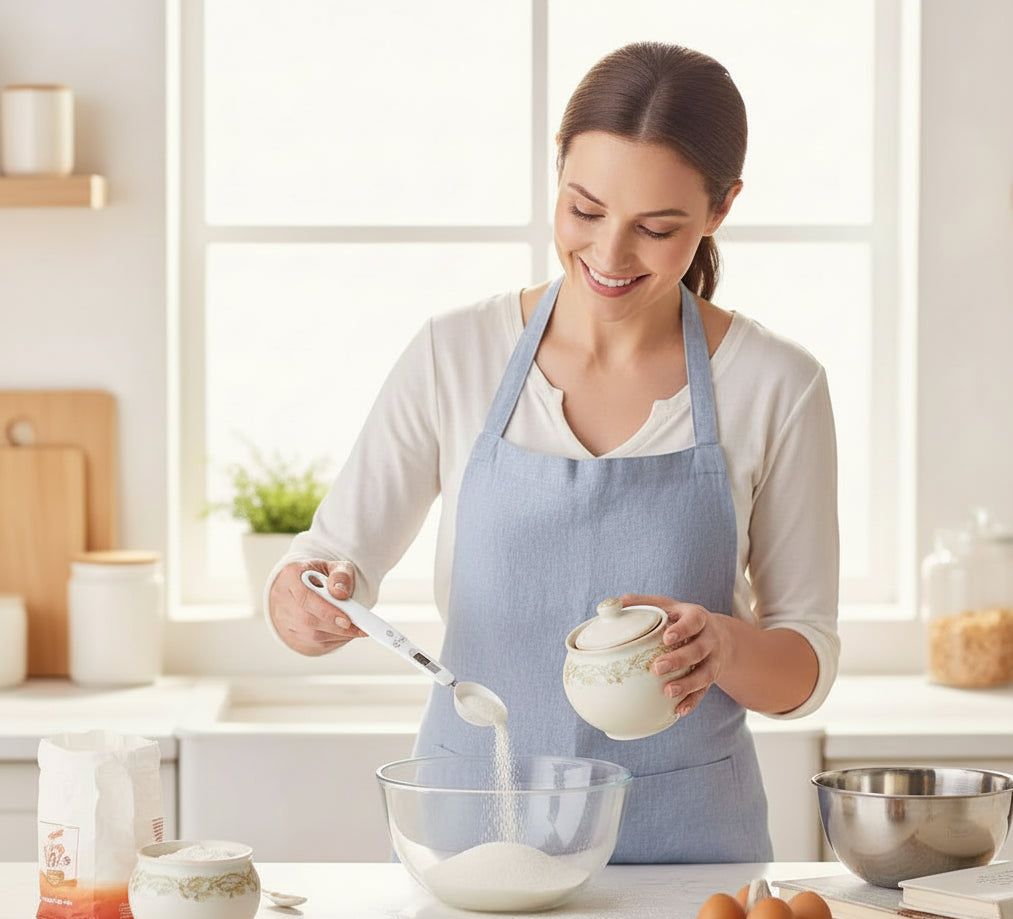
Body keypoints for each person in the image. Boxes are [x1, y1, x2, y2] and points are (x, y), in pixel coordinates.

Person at [267, 41, 840, 864]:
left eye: (656, 228)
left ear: (720, 210)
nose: (608, 256)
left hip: (687, 858)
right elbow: (326, 561)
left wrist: (726, 645)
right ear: (557, 175)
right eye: (584, 209)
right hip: (475, 838)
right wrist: (302, 603)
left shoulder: (776, 385)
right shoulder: (453, 353)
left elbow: (805, 664)